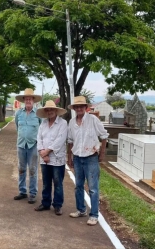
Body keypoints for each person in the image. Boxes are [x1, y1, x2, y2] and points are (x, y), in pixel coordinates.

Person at [67, 96, 108, 226]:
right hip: (78, 157)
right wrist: (70, 157)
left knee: (93, 188)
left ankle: (94, 215)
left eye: (81, 106)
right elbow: (70, 141)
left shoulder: (93, 120)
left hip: (91, 157)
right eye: (76, 107)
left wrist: (102, 154)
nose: (79, 108)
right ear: (74, 108)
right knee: (78, 185)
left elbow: (104, 136)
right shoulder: (72, 122)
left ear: (85, 108)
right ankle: (81, 210)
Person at [34, 100, 68, 215]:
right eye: (47, 110)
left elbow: (60, 140)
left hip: (57, 158)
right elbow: (39, 138)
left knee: (58, 182)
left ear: (56, 111)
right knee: (46, 182)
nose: (50, 111)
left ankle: (58, 205)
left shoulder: (63, 123)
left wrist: (47, 152)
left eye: (51, 109)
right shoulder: (43, 124)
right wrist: (42, 152)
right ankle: (45, 203)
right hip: (44, 158)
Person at [14, 88, 42, 204]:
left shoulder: (38, 114)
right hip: (21, 145)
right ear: (23, 100)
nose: (28, 100)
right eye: (26, 99)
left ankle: (32, 193)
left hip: (33, 146)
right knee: (21, 169)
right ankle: (22, 191)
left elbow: (41, 129)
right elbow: (17, 127)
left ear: (33, 100)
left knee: (33, 169)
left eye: (30, 99)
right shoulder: (18, 113)